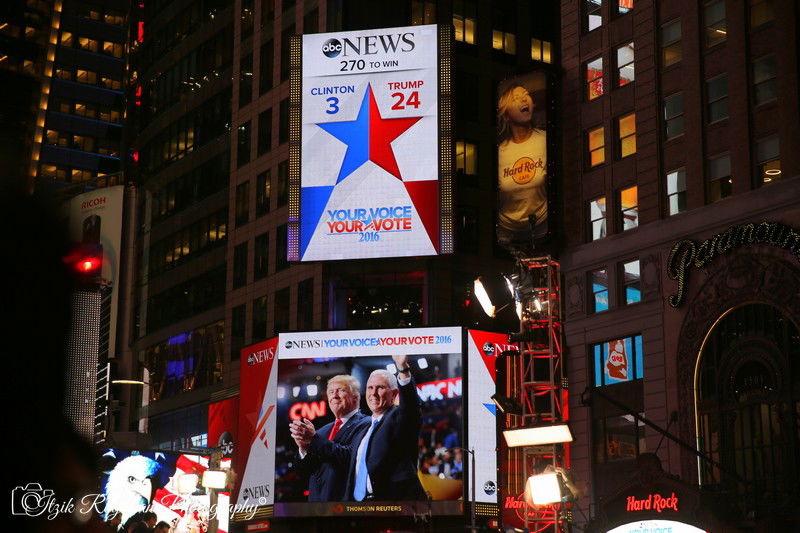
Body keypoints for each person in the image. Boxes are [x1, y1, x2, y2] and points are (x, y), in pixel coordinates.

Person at [298, 355, 426, 501]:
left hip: (395, 503)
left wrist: (403, 369)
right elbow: (344, 459)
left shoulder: (398, 419)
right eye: (370, 387)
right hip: (362, 506)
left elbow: (410, 407)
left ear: (394, 394)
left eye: (381, 388)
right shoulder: (364, 430)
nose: (373, 393)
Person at [289, 374, 370, 501]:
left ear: (356, 397)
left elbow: (350, 457)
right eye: (331, 392)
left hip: (344, 504)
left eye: (341, 390)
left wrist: (313, 439)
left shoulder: (366, 424)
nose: (334, 395)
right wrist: (303, 448)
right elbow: (303, 472)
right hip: (317, 506)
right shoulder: (322, 431)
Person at [496, 83, 547, 254]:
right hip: (506, 234)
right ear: (506, 115)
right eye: (515, 98)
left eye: (525, 94)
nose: (523, 99)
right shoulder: (499, 153)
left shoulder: (546, 140)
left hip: (542, 227)